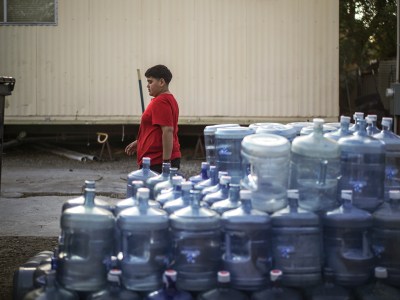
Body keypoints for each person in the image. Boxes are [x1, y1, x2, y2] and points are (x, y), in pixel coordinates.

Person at [125, 65, 181, 174]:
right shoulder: (168, 99)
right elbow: (157, 129)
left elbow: (167, 130)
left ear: (161, 82)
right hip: (157, 159)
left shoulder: (161, 101)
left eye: (150, 82)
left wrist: (165, 162)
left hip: (157, 160)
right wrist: (140, 142)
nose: (147, 85)